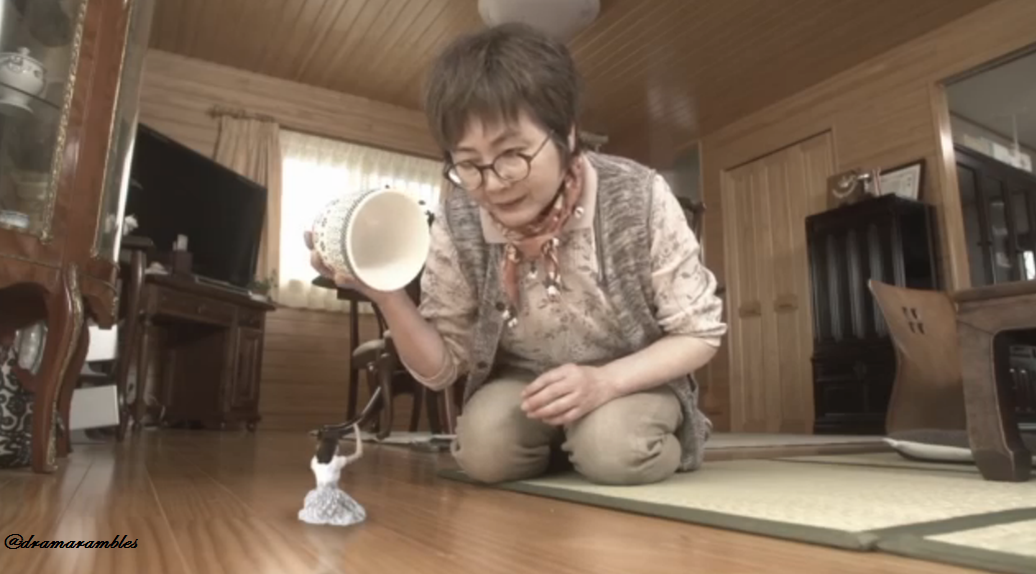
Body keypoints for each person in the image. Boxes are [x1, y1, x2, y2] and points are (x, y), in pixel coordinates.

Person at [306, 23, 726, 486]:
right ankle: (572, 443)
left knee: (613, 450)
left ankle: (649, 433)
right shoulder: (460, 219)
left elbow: (699, 333)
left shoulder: (638, 194)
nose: (493, 182)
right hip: (526, 380)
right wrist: (386, 295)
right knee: (483, 453)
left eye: (513, 153)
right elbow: (441, 369)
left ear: (567, 134)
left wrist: (603, 383)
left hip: (630, 376)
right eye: (469, 163)